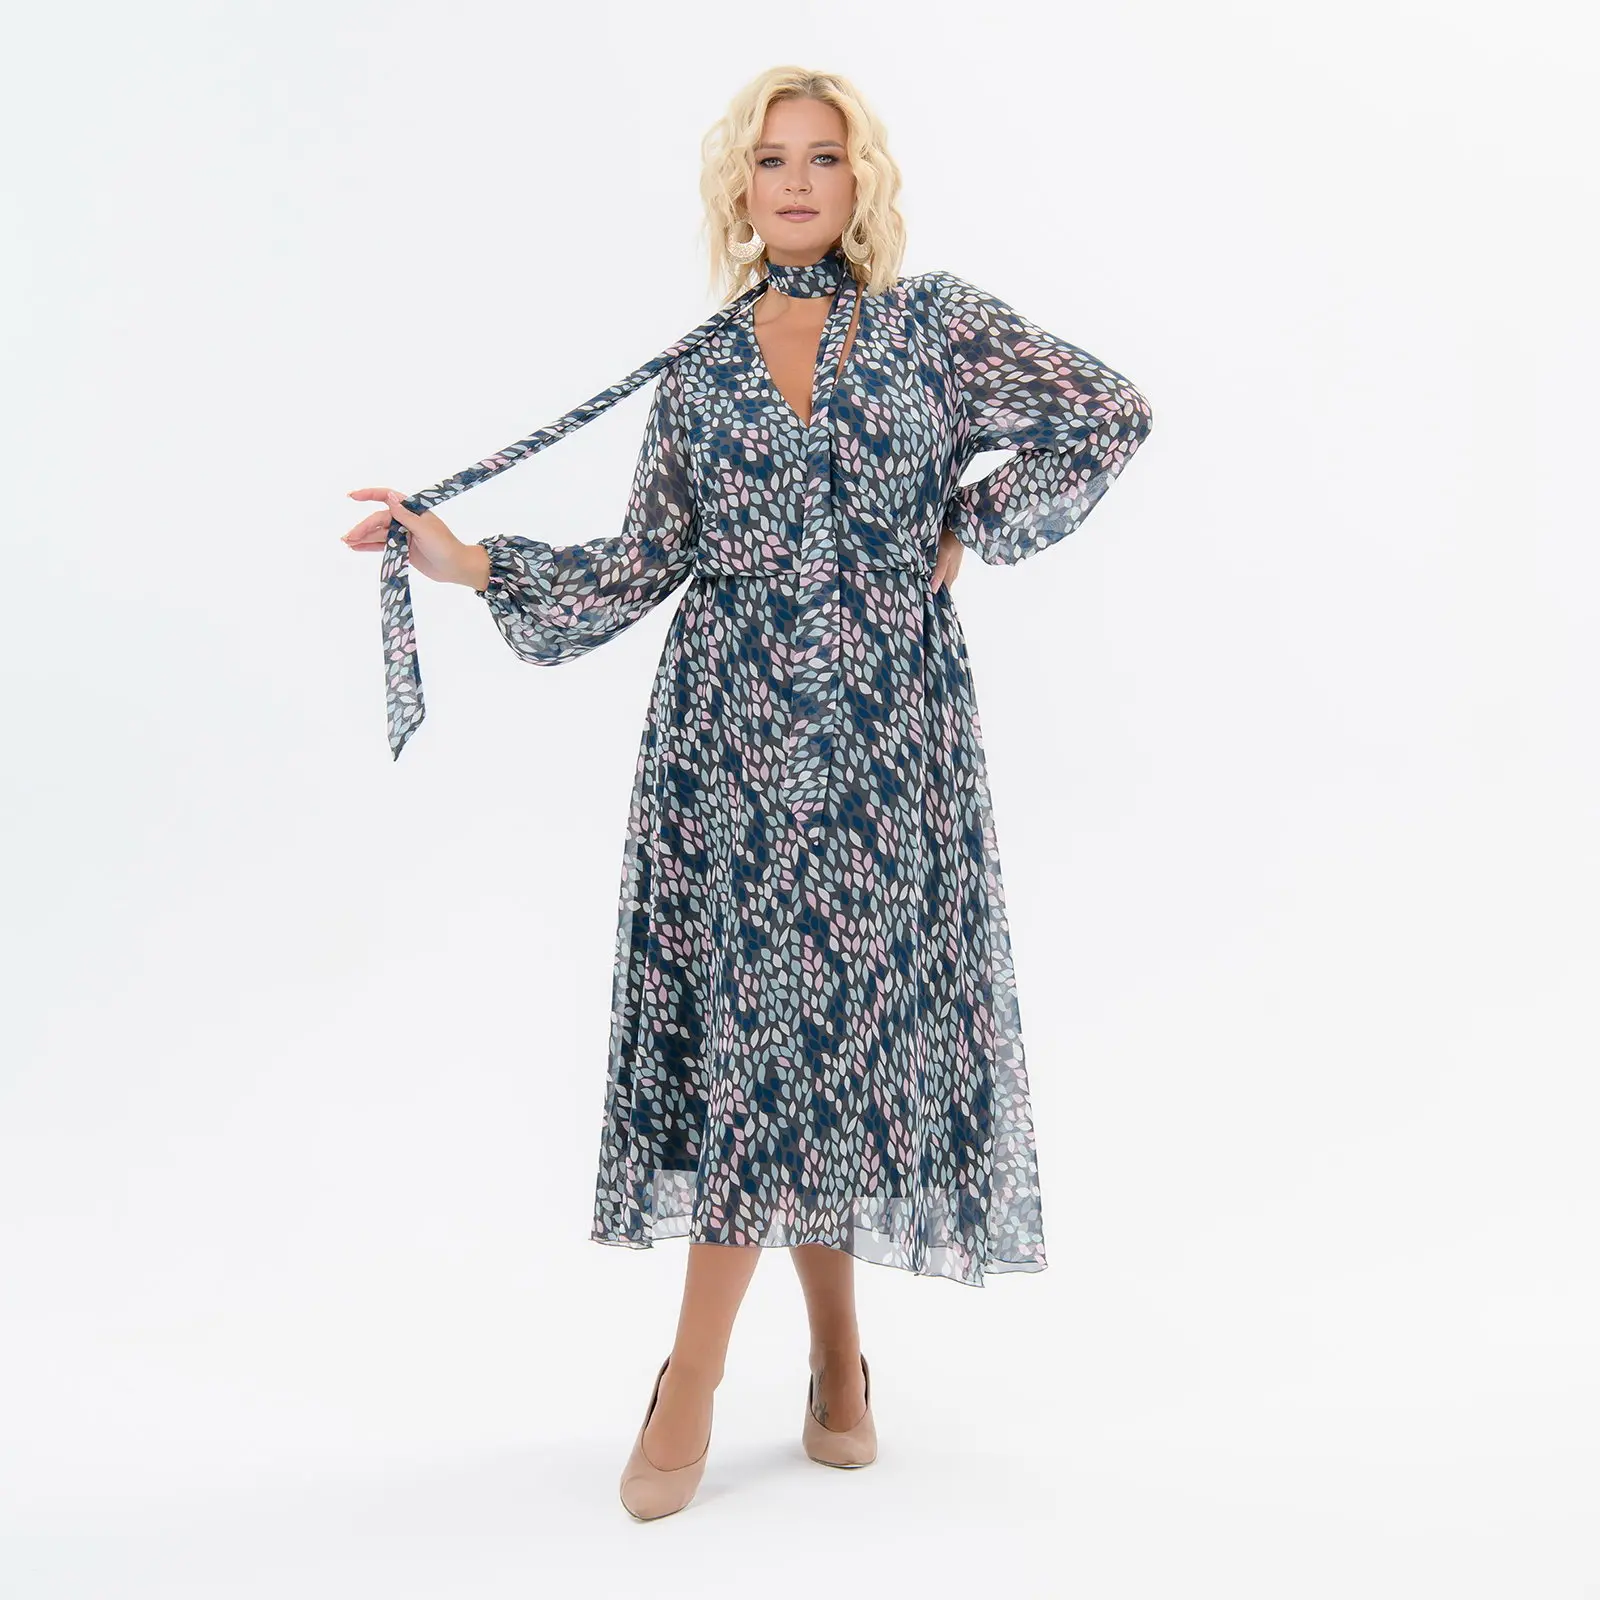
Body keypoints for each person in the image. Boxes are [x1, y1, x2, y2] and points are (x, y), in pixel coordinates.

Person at [340, 65, 1153, 1520]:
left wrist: (968, 521)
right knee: (770, 1042)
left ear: (860, 181)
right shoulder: (702, 369)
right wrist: (468, 563)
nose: (796, 181)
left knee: (815, 1036)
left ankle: (697, 1377)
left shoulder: (933, 327)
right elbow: (644, 561)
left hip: (888, 739)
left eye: (824, 157)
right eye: (772, 159)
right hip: (728, 743)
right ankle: (830, 1366)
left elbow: (1109, 410)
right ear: (740, 185)